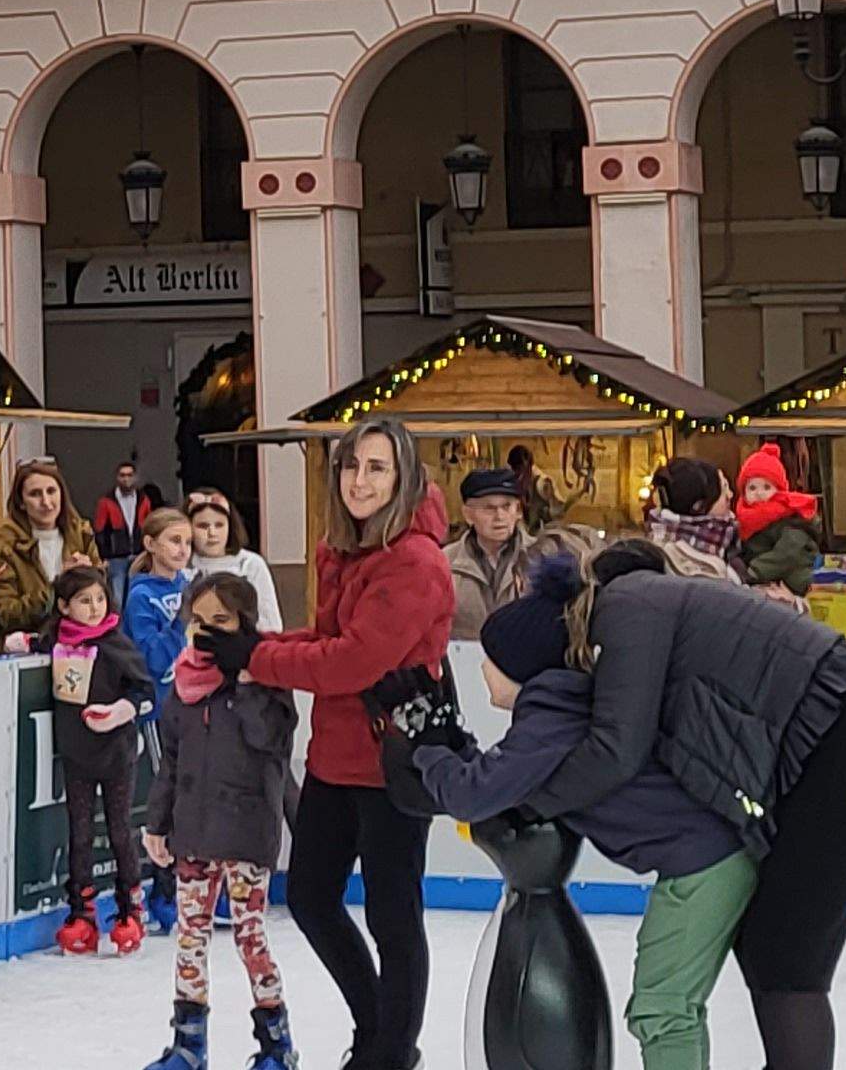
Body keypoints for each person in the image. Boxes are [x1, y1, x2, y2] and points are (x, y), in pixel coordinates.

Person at [395, 551, 762, 1070]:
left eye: (489, 656)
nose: (479, 666)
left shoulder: (551, 712)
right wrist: (454, 748)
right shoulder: (561, 706)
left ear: (518, 665)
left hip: (705, 864)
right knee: (666, 1007)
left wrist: (427, 749)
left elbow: (474, 794)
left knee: (663, 1009)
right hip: (709, 854)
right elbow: (501, 780)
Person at [236, 423, 450, 1070]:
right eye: (352, 466)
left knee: (393, 916)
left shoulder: (414, 561)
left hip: (394, 763)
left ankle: (389, 1051)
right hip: (335, 756)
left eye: (377, 468)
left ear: (403, 477)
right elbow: (328, 636)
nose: (361, 480)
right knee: (310, 897)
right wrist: (257, 647)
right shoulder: (342, 549)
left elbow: (354, 661)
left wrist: (257, 657)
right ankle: (377, 1028)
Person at [139, 571, 298, 1070]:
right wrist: (156, 823)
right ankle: (189, 1044)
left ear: (246, 625)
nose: (207, 634)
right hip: (192, 831)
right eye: (198, 622)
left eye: (222, 622)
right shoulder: (183, 686)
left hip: (247, 830)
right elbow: (172, 761)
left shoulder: (269, 680)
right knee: (190, 936)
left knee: (250, 935)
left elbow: (271, 742)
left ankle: (277, 1044)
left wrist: (248, 680)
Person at [49, 565, 153, 956]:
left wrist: (120, 711)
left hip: (116, 753)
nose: (94, 608)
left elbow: (146, 692)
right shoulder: (57, 643)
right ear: (64, 606)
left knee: (119, 829)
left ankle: (130, 909)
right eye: (83, 601)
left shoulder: (116, 644)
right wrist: (21, 641)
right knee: (79, 832)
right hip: (77, 753)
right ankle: (82, 911)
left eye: (98, 599)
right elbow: (38, 645)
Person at [0, 459, 98, 643]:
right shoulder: (3, 546)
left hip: (80, 647)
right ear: (21, 503)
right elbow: (3, 614)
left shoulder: (82, 534)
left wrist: (89, 576)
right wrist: (59, 585)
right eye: (35, 494)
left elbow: (103, 597)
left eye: (51, 491)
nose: (46, 502)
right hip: (26, 651)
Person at [449, 468, 561, 639]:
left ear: (518, 511)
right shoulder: (444, 563)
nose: (499, 516)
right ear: (468, 515)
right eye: (489, 508)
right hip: (462, 660)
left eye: (506, 506)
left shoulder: (541, 558)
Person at [124, 507, 200, 698]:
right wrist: (181, 620)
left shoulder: (189, 585)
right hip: (157, 702)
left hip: (192, 698)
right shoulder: (141, 595)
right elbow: (153, 659)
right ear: (150, 543)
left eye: (189, 543)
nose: (183, 551)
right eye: (175, 541)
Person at [185, 492, 287, 633]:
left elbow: (270, 623)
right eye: (203, 526)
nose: (212, 533)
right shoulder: (182, 565)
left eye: (219, 525)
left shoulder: (250, 564)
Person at [734, 445, 824, 604]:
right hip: (768, 582)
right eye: (752, 487)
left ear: (779, 490)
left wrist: (752, 572)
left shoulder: (789, 517)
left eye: (767, 487)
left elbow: (787, 553)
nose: (759, 493)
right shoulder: (745, 521)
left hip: (794, 583)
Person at [641, 457, 744, 586]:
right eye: (724, 489)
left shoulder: (656, 551)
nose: (730, 495)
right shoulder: (701, 570)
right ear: (700, 506)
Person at [97, 460, 172, 564]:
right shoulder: (106, 502)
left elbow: (150, 527)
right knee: (117, 580)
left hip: (139, 553)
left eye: (129, 475)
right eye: (122, 475)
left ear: (135, 478)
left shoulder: (144, 500)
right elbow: (100, 531)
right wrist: (103, 556)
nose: (126, 479)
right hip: (116, 557)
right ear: (117, 477)